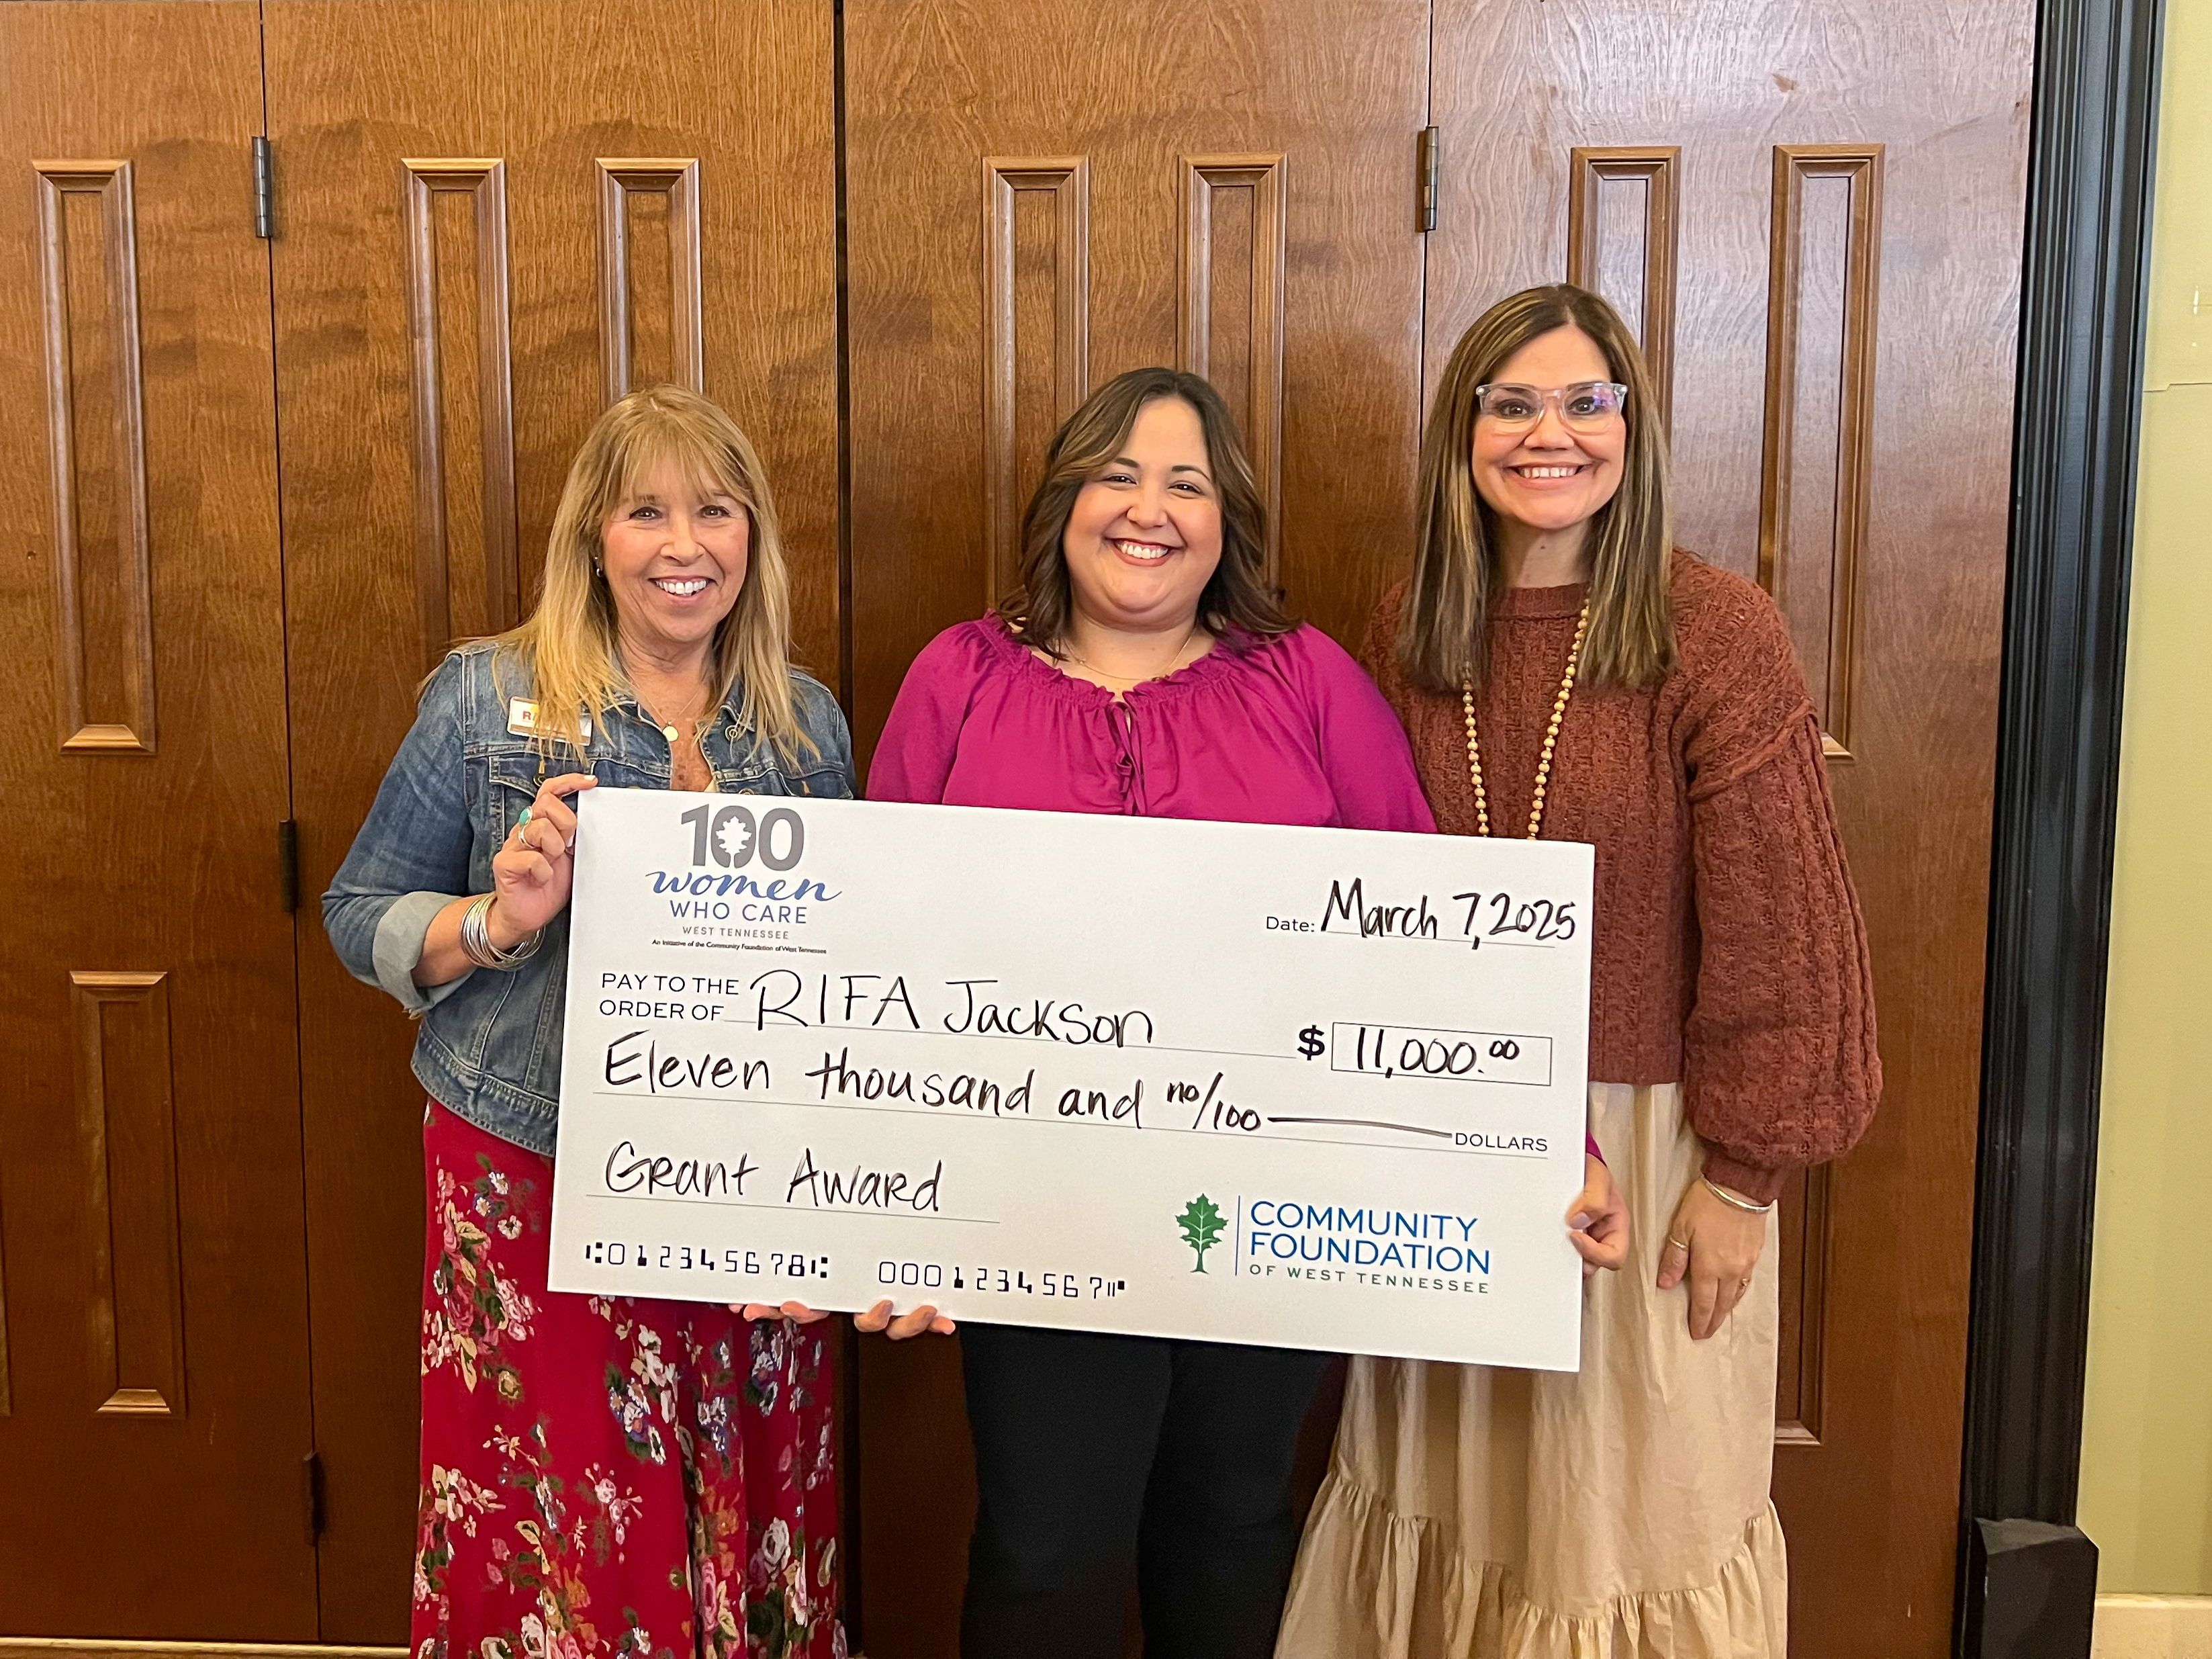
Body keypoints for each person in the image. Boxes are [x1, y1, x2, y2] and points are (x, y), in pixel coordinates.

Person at [867, 367, 1630, 1659]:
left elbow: (1431, 935)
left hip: (1267, 1213)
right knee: (1044, 1543)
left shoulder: (1310, 682)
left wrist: (1558, 1147)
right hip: (1032, 1206)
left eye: (1186, 483)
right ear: (1064, 502)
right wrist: (866, 1212)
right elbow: (872, 953)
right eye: (1116, 475)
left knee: (1228, 1525)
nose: (1147, 510)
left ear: (1228, 524)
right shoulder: (959, 677)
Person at [1276, 285, 1882, 1658]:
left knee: (1623, 1513)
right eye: (1511, 403)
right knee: (1459, 1489)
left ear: (1632, 427)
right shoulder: (1412, 631)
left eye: (1583, 400)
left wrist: (1741, 1179)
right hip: (1450, 1124)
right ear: (1464, 434)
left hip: (1660, 1140)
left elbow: (1781, 929)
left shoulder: (1714, 633)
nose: (1549, 431)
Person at [324, 385, 855, 1659]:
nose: (685, 543)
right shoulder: (483, 699)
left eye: (714, 510)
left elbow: (852, 980)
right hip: (531, 1173)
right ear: (594, 541)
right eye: (647, 511)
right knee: (556, 1510)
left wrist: (830, 1212)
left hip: (739, 1196)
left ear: (751, 538)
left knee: (738, 1495)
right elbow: (358, 911)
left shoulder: (804, 724)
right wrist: (497, 921)